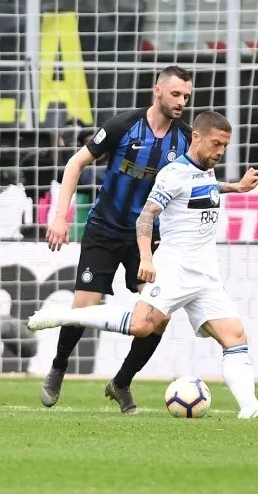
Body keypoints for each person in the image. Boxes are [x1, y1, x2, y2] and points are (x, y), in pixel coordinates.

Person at [28, 111, 258, 420]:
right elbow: (147, 216)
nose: (221, 152)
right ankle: (65, 316)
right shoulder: (171, 172)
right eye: (217, 144)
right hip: (173, 267)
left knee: (235, 336)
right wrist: (148, 258)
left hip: (205, 275)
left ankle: (250, 407)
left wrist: (235, 187)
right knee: (142, 325)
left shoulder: (203, 168)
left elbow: (200, 189)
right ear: (197, 138)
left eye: (225, 146)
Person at [40, 66, 193, 413]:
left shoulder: (184, 139)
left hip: (145, 239)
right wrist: (60, 217)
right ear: (158, 91)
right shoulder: (123, 126)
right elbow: (75, 164)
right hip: (104, 231)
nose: (182, 101)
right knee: (85, 306)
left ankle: (121, 382)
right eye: (176, 94)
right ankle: (59, 366)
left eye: (186, 96)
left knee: (159, 315)